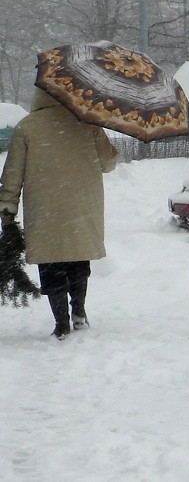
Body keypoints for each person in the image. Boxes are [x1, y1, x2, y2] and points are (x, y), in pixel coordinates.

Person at [0, 87, 118, 340]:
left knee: (52, 262)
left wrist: (7, 208)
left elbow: (12, 174)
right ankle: (79, 311)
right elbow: (108, 164)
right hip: (82, 205)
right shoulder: (87, 123)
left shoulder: (27, 127)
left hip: (45, 210)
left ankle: (61, 322)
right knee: (78, 258)